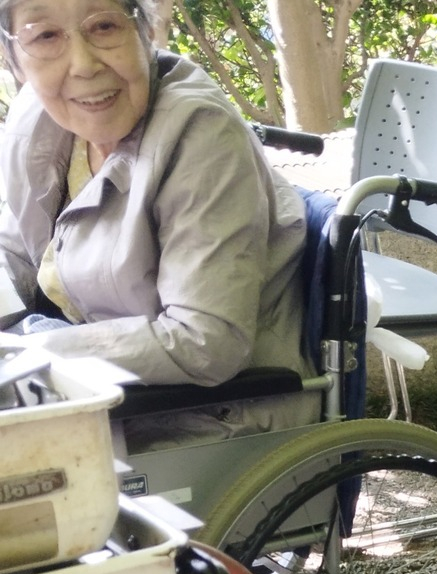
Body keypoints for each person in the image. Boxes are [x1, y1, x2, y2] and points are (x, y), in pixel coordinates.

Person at [0, 0, 315, 443]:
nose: (84, 65)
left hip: (205, 418)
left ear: (146, 32)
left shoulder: (201, 136)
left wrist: (30, 353)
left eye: (104, 26)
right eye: (46, 36)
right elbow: (15, 248)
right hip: (102, 391)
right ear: (13, 57)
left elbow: (207, 342)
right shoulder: (42, 118)